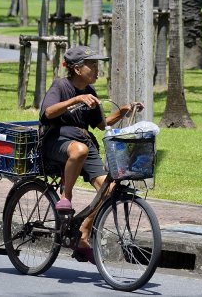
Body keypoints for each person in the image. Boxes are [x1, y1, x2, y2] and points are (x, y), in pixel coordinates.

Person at [39, 45, 143, 262]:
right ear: (77, 69)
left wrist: (123, 111)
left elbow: (101, 125)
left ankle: (83, 233)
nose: (97, 70)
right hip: (57, 141)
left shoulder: (91, 93)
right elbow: (48, 112)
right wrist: (75, 100)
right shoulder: (61, 85)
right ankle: (65, 197)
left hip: (84, 142)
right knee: (80, 150)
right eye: (93, 65)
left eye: (98, 65)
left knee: (110, 189)